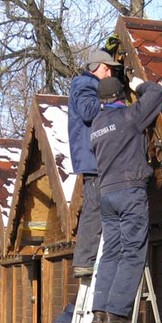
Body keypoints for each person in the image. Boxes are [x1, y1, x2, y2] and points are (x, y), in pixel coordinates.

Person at [89, 77, 162, 323]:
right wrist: (140, 84)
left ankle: (99, 310)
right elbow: (158, 93)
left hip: (106, 195)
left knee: (111, 250)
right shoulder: (129, 117)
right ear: (121, 96)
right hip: (129, 191)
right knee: (133, 250)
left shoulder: (96, 126)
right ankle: (117, 311)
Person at [68, 50, 121, 279]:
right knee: (94, 208)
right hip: (92, 158)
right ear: (96, 66)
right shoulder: (85, 84)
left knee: (99, 205)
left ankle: (89, 258)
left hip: (94, 156)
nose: (109, 71)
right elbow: (89, 112)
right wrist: (113, 105)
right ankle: (84, 261)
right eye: (106, 67)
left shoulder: (87, 84)